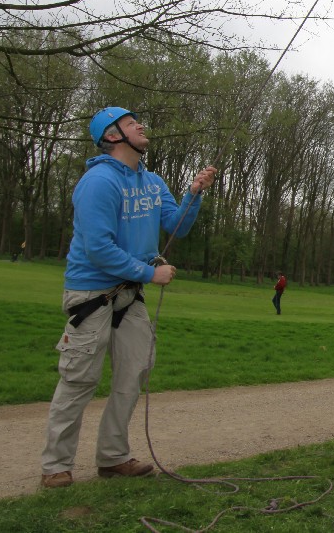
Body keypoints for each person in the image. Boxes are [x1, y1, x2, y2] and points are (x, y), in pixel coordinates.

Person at [40, 106, 217, 489]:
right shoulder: (98, 182)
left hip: (129, 296)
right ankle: (56, 465)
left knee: (135, 372)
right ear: (111, 136)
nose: (140, 125)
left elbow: (177, 226)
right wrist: (150, 273)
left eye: (137, 120)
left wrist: (193, 194)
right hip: (92, 293)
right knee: (79, 379)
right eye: (129, 122)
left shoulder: (152, 182)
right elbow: (99, 248)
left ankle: (113, 458)